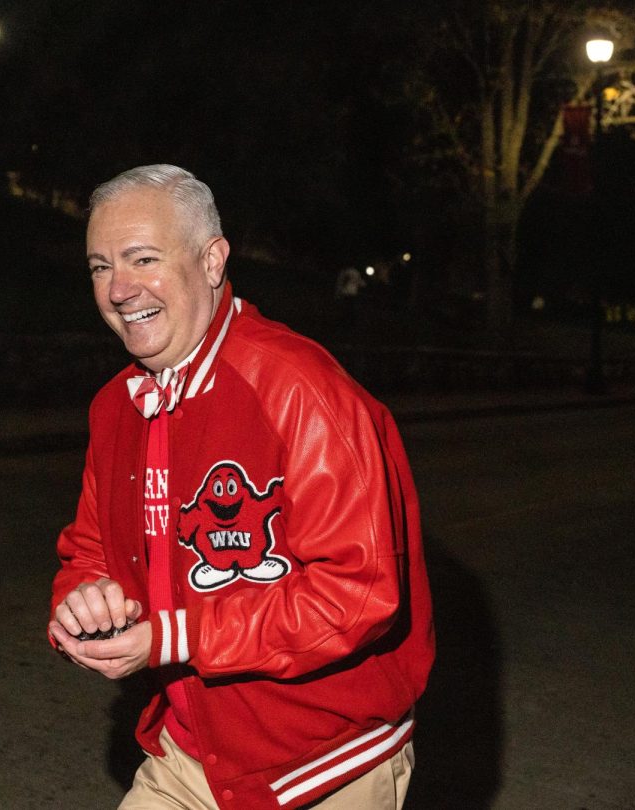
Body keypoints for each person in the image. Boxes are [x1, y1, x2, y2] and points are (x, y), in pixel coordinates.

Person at [48, 165, 434, 810]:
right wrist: (82, 603)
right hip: (191, 753)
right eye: (99, 266)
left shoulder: (301, 389)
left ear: (212, 260)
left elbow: (358, 593)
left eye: (143, 258)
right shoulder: (116, 405)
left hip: (324, 764)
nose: (118, 289)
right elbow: (88, 550)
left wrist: (173, 637)